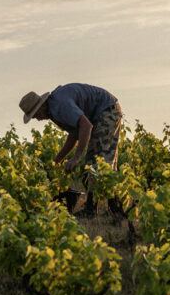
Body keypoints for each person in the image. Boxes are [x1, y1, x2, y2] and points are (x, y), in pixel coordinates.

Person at [19, 83, 122, 215]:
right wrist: (57, 161)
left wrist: (76, 158)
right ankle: (109, 209)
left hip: (107, 109)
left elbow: (86, 126)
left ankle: (98, 210)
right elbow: (74, 134)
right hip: (101, 112)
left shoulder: (60, 106)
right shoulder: (53, 111)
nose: (35, 118)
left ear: (41, 106)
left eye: (34, 114)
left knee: (97, 163)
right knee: (95, 164)